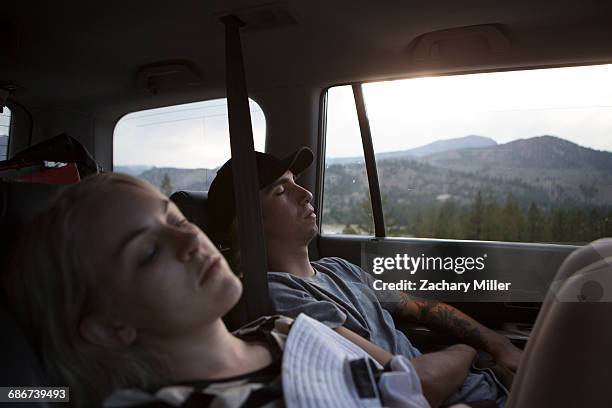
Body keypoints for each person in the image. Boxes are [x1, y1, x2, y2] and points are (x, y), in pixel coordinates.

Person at [4, 172, 475, 408]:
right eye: (147, 253)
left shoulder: (287, 329)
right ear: (109, 324)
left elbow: (400, 387)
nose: (190, 239)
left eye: (178, 220)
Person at [208, 147, 523, 407]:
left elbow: (421, 309)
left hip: (488, 383)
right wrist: (467, 353)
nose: (306, 194)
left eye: (296, 182)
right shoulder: (279, 297)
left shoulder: (339, 269)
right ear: (246, 224)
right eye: (281, 191)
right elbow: (413, 385)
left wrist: (501, 345)